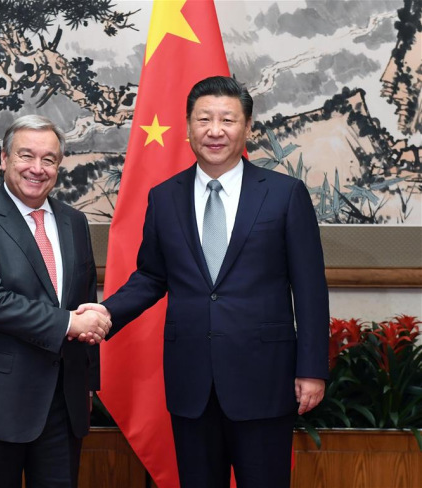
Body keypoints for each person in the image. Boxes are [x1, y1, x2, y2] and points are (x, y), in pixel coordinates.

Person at [78, 76, 329, 488]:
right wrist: (106, 312)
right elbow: (151, 276)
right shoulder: (164, 197)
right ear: (188, 127)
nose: (215, 131)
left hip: (264, 379)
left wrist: (312, 369)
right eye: (204, 119)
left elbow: (310, 290)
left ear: (248, 128)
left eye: (228, 120)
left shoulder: (285, 195)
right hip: (191, 383)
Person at [0, 115, 111, 488]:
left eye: (48, 159)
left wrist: (88, 385)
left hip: (62, 408)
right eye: (26, 156)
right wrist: (68, 323)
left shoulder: (74, 222)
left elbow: (85, 301)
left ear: (59, 165)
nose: (37, 169)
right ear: (4, 158)